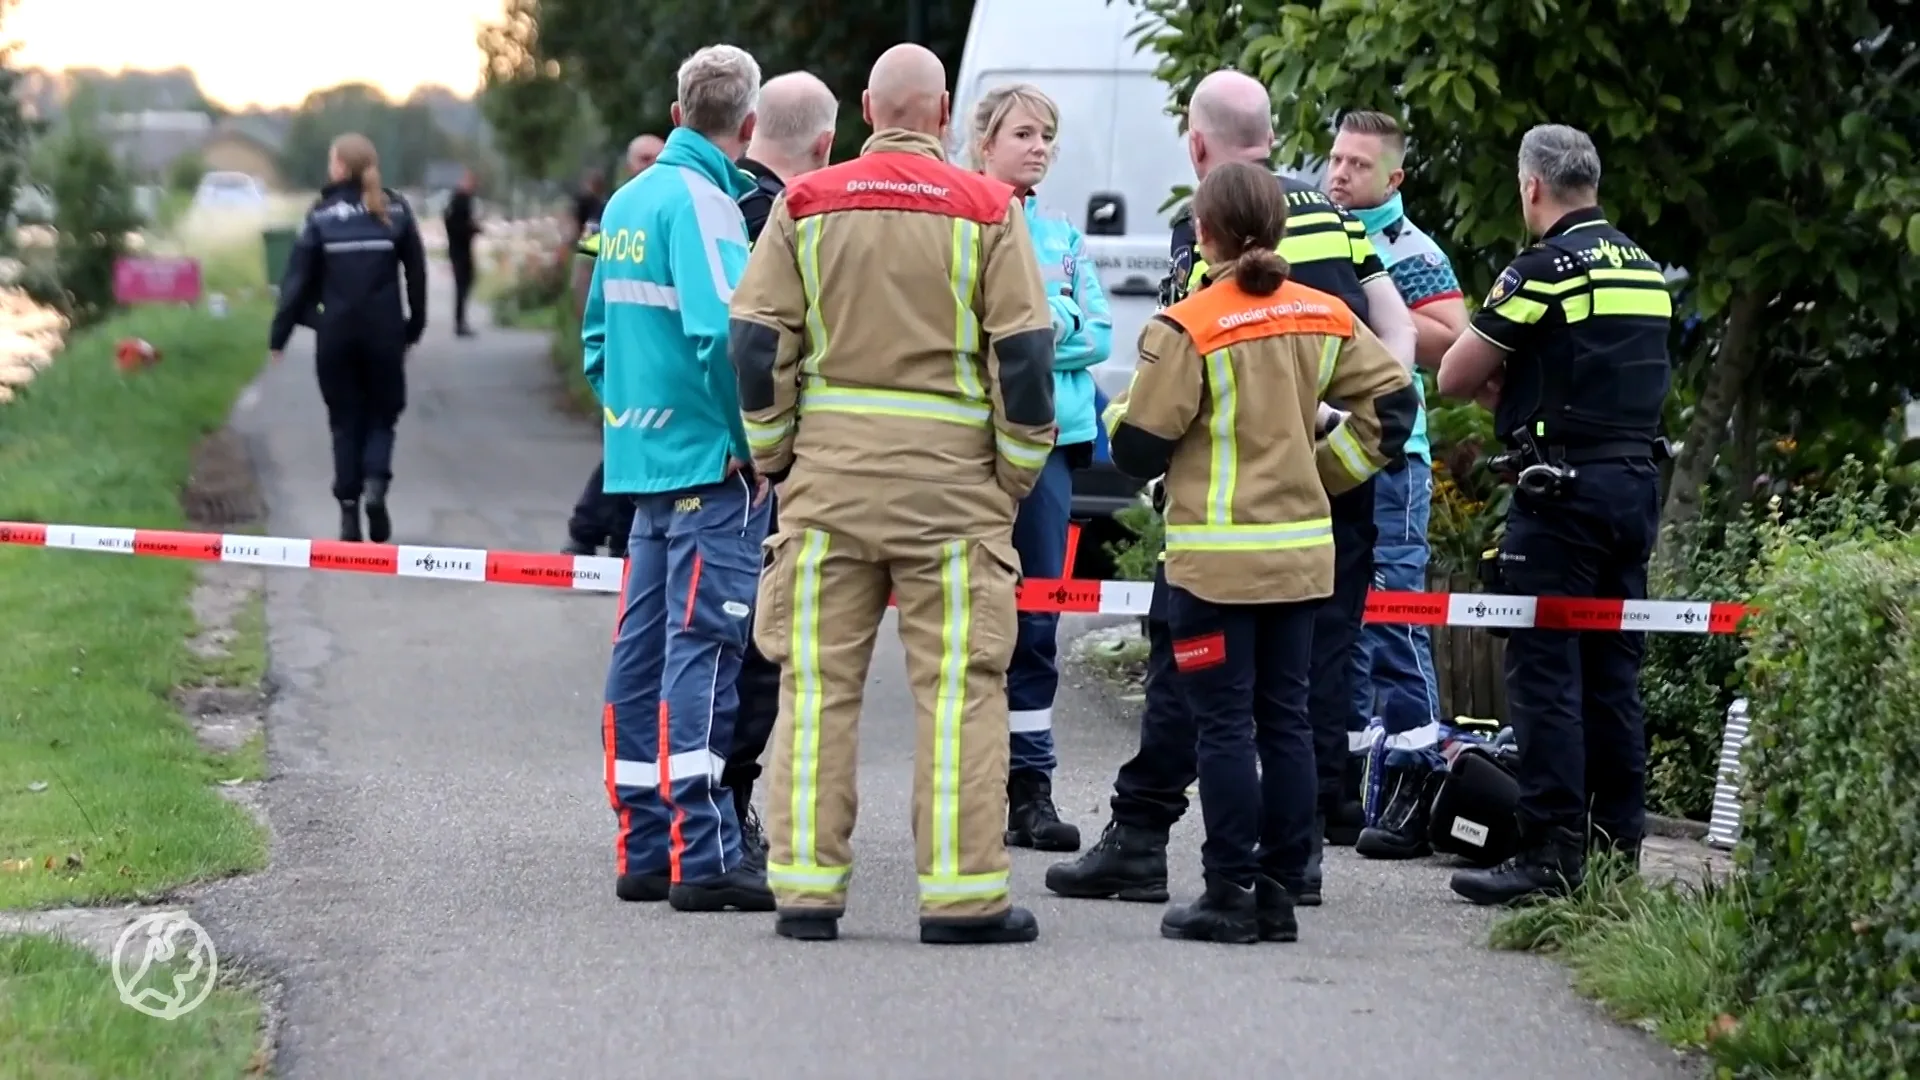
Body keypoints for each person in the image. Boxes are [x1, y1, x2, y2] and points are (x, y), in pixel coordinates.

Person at [1045, 68, 1414, 909]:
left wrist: (1126, 406)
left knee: (1216, 723)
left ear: (1203, 231)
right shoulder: (1325, 307)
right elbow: (1394, 397)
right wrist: (1326, 471)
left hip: (1212, 567)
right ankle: (1289, 883)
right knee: (1287, 720)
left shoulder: (1192, 319)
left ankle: (1223, 891)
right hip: (1304, 554)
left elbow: (1138, 448)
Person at [729, 42, 1057, 945]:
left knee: (816, 690)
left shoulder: (804, 203)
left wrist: (775, 455)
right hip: (955, 500)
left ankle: (805, 893)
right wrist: (1017, 474)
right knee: (960, 691)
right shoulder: (989, 209)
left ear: (868, 110)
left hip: (828, 491)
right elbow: (1026, 358)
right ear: (944, 111)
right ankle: (961, 899)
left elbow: (757, 343)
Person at [1436, 124, 1672, 906]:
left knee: (1544, 676)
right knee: (1612, 675)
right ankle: (1616, 852)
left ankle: (1548, 855)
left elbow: (1453, 374)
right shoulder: (1643, 267)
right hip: (1633, 488)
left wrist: (1506, 371)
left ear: (1531, 186)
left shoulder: (1543, 268)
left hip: (1559, 495)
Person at [587, 44, 772, 914]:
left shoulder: (628, 199)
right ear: (748, 127)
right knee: (705, 651)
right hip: (709, 464)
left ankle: (644, 847)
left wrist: (631, 415)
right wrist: (752, 443)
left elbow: (598, 341)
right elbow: (724, 340)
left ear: (672, 115)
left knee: (643, 651)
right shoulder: (707, 205)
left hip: (644, 465)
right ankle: (705, 857)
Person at [967, 82, 1112, 855]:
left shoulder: (1061, 237)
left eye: (1048, 135)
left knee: (1038, 619)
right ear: (984, 142)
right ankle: (972, 784)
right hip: (975, 444)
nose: (1040, 147)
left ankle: (1032, 788)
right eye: (1024, 132)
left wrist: (1037, 330)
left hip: (1054, 444)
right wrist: (1047, 325)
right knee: (969, 615)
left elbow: (1098, 336)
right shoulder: (962, 223)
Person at [1324, 109, 1468, 858]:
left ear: (1394, 178)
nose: (1341, 174)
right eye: (1337, 160)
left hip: (1392, 454)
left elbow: (1454, 336)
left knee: (1393, 613)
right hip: (1326, 443)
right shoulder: (1317, 228)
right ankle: (1348, 783)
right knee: (1337, 620)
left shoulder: (1409, 247)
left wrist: (1378, 313)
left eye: (1357, 164)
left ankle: (1415, 781)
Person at [716, 70, 839, 868]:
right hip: (759, 471)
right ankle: (730, 814)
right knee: (758, 653)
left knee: (696, 649)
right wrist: (776, 454)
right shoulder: (796, 222)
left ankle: (688, 816)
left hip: (675, 459)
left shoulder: (703, 203)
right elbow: (775, 352)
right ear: (825, 146)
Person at [269, 132, 427, 545]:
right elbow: (417, 274)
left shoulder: (320, 215)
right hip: (384, 335)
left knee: (344, 422)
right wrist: (414, 326)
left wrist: (281, 335)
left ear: (340, 167)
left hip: (336, 338)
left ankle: (348, 514)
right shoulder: (396, 210)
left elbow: (296, 281)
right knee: (382, 415)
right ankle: (376, 485)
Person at [565, 136, 666, 560]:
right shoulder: (611, 211)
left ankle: (612, 536)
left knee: (635, 440)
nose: (649, 165)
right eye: (643, 158)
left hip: (655, 347)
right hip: (620, 345)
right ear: (628, 164)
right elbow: (585, 271)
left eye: (656, 159)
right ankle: (592, 532)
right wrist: (589, 327)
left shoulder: (668, 207)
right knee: (628, 440)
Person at [443, 169, 481, 337]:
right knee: (462, 284)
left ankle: (461, 320)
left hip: (458, 248)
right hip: (461, 249)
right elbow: (459, 226)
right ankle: (460, 322)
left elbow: (448, 221)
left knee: (466, 283)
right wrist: (473, 229)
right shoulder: (461, 201)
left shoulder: (455, 201)